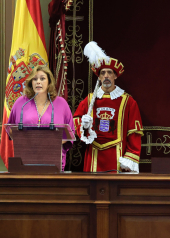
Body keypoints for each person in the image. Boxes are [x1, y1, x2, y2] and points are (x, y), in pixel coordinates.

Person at [73, 42, 143, 172]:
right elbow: (75, 120)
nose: (106, 76)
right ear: (99, 77)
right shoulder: (89, 100)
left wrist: (130, 157)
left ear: (115, 76)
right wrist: (84, 126)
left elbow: (134, 132)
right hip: (93, 154)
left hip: (118, 155)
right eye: (103, 73)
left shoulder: (128, 101)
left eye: (109, 72)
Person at [7, 65, 75, 171]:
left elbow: (70, 132)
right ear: (31, 83)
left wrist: (45, 142)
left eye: (42, 78)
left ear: (49, 83)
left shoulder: (61, 104)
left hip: (53, 162)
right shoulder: (20, 103)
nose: (38, 82)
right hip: (25, 161)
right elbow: (11, 129)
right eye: (35, 79)